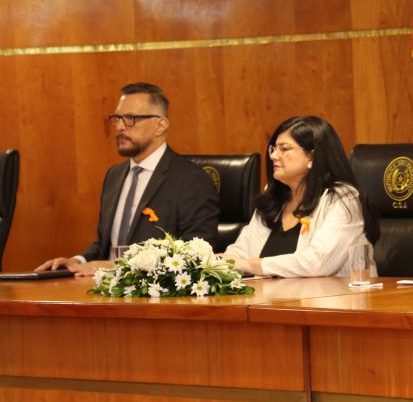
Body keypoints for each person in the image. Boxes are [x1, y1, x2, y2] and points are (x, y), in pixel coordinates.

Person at [35, 82, 220, 276]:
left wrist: (116, 266)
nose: (120, 127)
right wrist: (76, 261)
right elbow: (105, 244)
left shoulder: (192, 181)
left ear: (160, 125)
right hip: (103, 293)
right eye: (117, 118)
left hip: (154, 299)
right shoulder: (114, 175)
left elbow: (196, 254)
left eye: (131, 118)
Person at [222, 116, 379, 277]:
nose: (273, 156)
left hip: (329, 300)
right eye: (273, 148)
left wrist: (250, 265)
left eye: (284, 149)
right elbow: (241, 251)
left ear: (312, 157)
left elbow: (317, 263)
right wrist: (217, 263)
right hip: (268, 300)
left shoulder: (342, 198)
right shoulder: (273, 198)